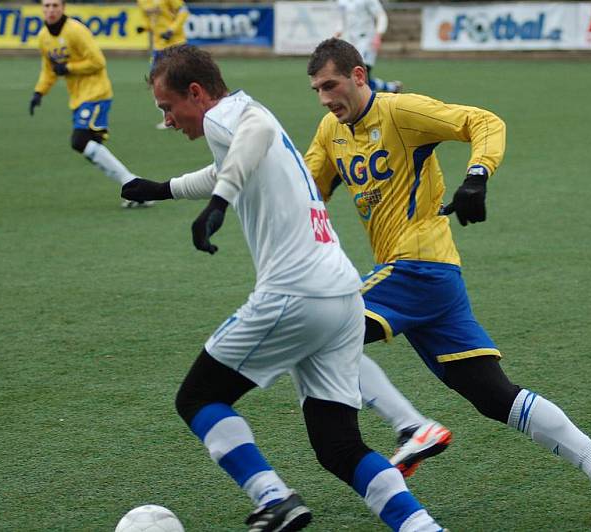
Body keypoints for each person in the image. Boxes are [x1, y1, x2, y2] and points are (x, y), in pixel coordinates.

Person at [303, 38, 591, 531]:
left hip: (417, 266)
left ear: (359, 76)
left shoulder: (401, 111)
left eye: (331, 85)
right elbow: (308, 189)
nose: (325, 98)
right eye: (316, 89)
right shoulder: (331, 129)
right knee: (489, 392)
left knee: (318, 331)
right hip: (432, 278)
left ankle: (412, 427)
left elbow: (484, 122)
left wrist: (477, 176)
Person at [121, 44, 444, 532]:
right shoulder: (242, 116)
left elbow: (256, 136)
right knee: (338, 448)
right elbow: (232, 165)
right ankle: (423, 528)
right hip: (341, 296)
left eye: (168, 108)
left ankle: (273, 498)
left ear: (196, 92)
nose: (168, 121)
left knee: (198, 399)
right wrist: (163, 188)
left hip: (296, 293)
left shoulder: (229, 117)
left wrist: (218, 205)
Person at [29, 0, 150, 208]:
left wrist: (68, 68)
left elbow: (98, 62)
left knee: (79, 140)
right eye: (47, 6)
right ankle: (136, 189)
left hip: (96, 92)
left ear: (63, 8)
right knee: (90, 146)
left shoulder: (76, 31)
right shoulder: (43, 37)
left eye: (55, 6)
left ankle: (132, 185)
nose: (50, 10)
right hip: (78, 98)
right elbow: (49, 68)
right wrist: (40, 91)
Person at [135, 0, 189, 129]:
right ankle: (169, 118)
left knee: (181, 80)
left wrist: (171, 30)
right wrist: (145, 27)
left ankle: (191, 113)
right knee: (156, 82)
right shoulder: (142, 1)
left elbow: (184, 12)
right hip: (158, 47)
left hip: (176, 43)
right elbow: (154, 19)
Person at [334, 0, 402, 93]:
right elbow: (341, 19)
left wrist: (378, 35)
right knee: (354, 74)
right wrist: (337, 34)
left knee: (363, 72)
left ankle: (372, 102)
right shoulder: (342, 2)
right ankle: (390, 87)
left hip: (366, 39)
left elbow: (380, 15)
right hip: (351, 41)